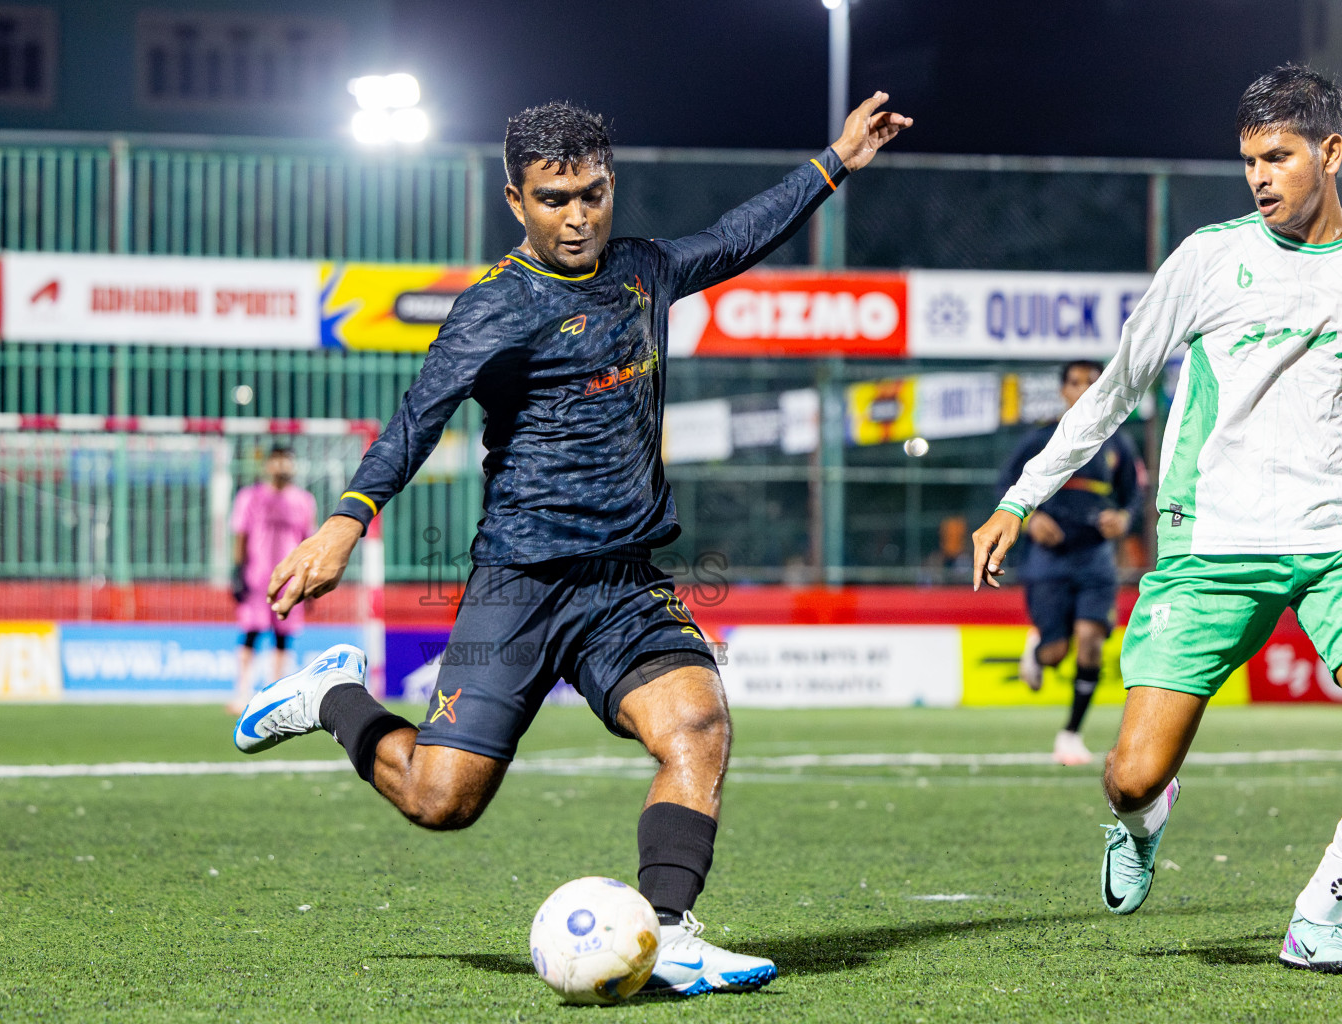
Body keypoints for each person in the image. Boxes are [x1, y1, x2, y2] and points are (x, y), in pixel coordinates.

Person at [235, 94, 911, 996]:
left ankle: (667, 932)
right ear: (515, 199)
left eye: (591, 192)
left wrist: (833, 162)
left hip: (623, 584)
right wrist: (345, 518)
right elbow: (417, 417)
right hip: (519, 583)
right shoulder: (493, 308)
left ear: (610, 185)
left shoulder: (642, 271)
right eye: (554, 198)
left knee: (698, 725)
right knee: (441, 802)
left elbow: (738, 235)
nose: (577, 215)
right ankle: (332, 696)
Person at [971, 64, 1342, 971]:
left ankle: (1322, 911)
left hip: (1334, 540)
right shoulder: (1211, 259)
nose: (1260, 177)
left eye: (1280, 157)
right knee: (1133, 771)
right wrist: (1023, 496)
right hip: (1213, 543)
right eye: (1250, 160)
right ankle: (1142, 822)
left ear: (1333, 153)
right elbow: (1115, 390)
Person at [1000, 360, 1143, 766]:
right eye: (1075, 382)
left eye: (1092, 383)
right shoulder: (1041, 438)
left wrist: (1124, 519)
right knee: (1057, 651)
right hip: (1048, 558)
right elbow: (1006, 485)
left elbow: (1133, 495)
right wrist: (1031, 518)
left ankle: (1071, 734)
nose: (1083, 389)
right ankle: (1038, 648)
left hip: (1095, 556)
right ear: (1062, 390)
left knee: (1091, 641)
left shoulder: (1117, 442)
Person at [228, 447, 316, 713]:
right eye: (277, 460)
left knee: (282, 636)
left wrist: (309, 581)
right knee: (251, 632)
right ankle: (242, 692)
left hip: (289, 579)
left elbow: (307, 542)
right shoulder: (250, 497)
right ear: (268, 465)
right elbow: (241, 535)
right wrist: (237, 569)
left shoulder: (304, 501)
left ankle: (274, 692)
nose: (282, 466)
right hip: (257, 577)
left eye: (287, 460)